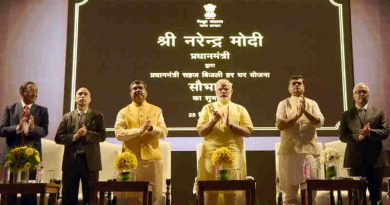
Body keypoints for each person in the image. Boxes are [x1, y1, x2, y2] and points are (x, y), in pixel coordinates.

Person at [197, 79, 253, 205]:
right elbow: (201, 132)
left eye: (226, 89)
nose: (223, 91)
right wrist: (213, 120)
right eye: (220, 89)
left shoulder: (240, 109)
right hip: (211, 155)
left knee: (231, 191)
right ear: (215, 92)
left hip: (233, 154)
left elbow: (248, 131)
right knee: (211, 191)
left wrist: (231, 125)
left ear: (231, 91)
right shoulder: (207, 108)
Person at [114, 80, 168, 205]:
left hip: (152, 160)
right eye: (135, 88)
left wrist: (151, 128)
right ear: (130, 93)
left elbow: (164, 132)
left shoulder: (156, 110)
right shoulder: (123, 112)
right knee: (130, 198)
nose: (138, 90)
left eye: (140, 88)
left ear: (146, 92)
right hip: (130, 161)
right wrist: (139, 131)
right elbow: (119, 134)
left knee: (153, 197)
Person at [275, 75, 324, 205]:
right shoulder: (283, 104)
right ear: (289, 88)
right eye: (294, 84)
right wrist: (296, 116)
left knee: (310, 192)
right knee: (290, 194)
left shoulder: (312, 103)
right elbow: (280, 125)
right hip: (289, 153)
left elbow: (319, 122)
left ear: (304, 87)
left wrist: (305, 112)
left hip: (309, 152)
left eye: (299, 83)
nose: (297, 85)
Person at [339, 82, 389, 204]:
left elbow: (385, 132)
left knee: (375, 198)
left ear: (369, 95)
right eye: (358, 92)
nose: (361, 94)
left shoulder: (378, 112)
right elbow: (342, 136)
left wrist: (370, 132)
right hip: (355, 161)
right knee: (357, 198)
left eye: (364, 92)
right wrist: (358, 137)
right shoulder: (346, 115)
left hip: (376, 161)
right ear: (353, 96)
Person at [0, 81, 49, 205]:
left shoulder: (42, 110)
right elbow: (1, 130)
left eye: (36, 92)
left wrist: (33, 128)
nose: (35, 94)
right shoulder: (9, 109)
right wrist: (17, 127)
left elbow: (44, 131)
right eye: (31, 91)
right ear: (22, 92)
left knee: (29, 195)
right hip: (12, 156)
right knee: (10, 194)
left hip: (32, 157)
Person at [55, 87, 106, 205]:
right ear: (75, 99)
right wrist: (74, 137)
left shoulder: (98, 115)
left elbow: (102, 136)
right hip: (71, 162)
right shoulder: (67, 116)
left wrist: (87, 134)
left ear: (90, 99)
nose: (82, 96)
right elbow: (58, 138)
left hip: (90, 163)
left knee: (91, 198)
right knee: (68, 198)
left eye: (85, 94)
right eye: (79, 94)